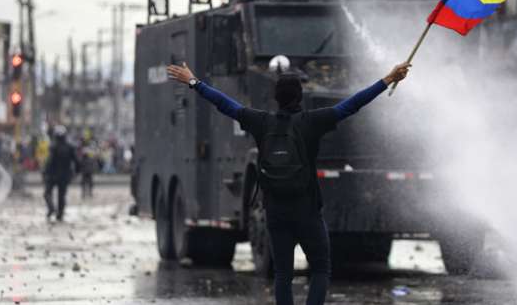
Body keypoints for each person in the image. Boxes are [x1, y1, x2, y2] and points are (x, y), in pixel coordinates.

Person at [166, 61, 411, 305]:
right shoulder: (312, 121)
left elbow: (224, 104)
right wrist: (387, 79)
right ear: (300, 96)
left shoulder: (260, 122)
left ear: (276, 97)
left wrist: (194, 82)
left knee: (283, 274)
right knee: (320, 269)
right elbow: (352, 105)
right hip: (307, 210)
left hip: (275, 211)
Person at [43, 125, 79, 222]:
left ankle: (51, 207)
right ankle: (60, 214)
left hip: (52, 175)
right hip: (65, 176)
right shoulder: (70, 147)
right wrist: (76, 172)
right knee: (61, 195)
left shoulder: (53, 147)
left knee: (47, 193)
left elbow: (49, 161)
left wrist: (45, 172)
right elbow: (76, 161)